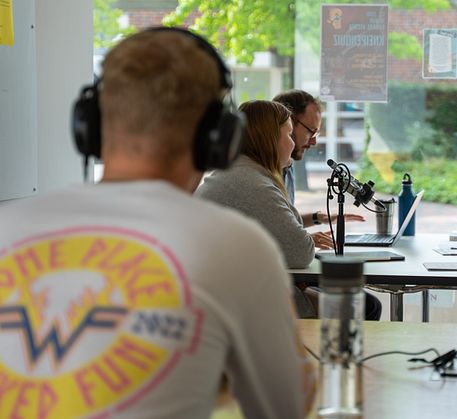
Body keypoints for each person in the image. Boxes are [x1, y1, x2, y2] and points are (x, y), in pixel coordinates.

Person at [0, 28, 313, 418]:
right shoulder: (237, 246)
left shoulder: (7, 228)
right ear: (219, 136)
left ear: (91, 125)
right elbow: (289, 407)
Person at [195, 100, 381, 320]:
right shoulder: (256, 185)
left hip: (229, 294)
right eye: (289, 135)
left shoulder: (238, 173)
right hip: (250, 304)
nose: (293, 145)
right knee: (365, 306)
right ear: (270, 139)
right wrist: (304, 241)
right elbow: (300, 253)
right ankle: (331, 355)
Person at [272, 89, 364, 228]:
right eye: (310, 131)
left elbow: (284, 222)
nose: (314, 142)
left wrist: (318, 218)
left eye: (316, 134)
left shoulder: (286, 166)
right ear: (287, 123)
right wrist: (307, 241)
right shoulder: (260, 175)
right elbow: (274, 229)